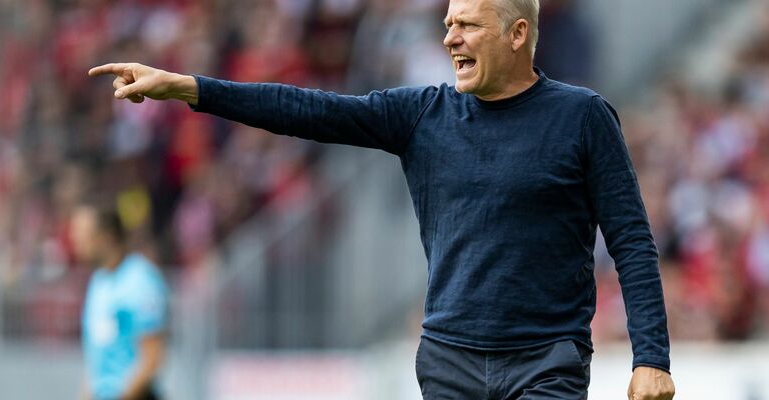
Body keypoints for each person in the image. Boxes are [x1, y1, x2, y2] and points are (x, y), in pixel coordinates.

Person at [88, 0, 676, 398]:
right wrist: (189, 87)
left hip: (547, 361)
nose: (450, 36)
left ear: (516, 33)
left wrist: (651, 356)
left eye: (467, 25)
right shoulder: (422, 114)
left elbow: (630, 240)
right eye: (448, 23)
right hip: (450, 362)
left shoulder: (582, 117)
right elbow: (306, 110)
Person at [70, 204, 168, 400]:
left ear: (105, 237)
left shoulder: (141, 280)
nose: (75, 241)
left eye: (82, 234)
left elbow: (152, 358)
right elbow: (95, 358)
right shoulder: (98, 281)